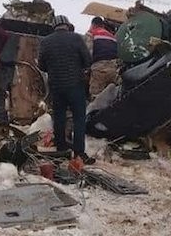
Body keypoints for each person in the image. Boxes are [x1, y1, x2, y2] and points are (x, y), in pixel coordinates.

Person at [38, 15, 95, 164]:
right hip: (75, 85)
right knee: (79, 119)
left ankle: (61, 149)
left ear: (54, 27)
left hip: (56, 87)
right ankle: (79, 153)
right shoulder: (76, 38)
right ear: (67, 26)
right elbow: (88, 60)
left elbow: (41, 65)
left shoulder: (46, 41)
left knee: (59, 118)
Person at [85, 16, 119, 97]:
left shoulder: (91, 33)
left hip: (99, 70)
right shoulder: (112, 36)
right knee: (110, 97)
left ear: (93, 24)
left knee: (96, 96)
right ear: (102, 25)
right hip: (113, 70)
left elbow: (88, 53)